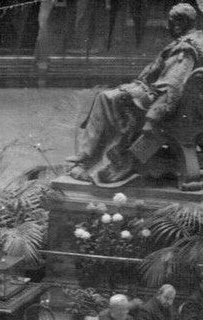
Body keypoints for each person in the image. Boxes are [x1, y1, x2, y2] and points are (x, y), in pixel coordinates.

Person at [67, 4, 203, 187]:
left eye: (170, 22)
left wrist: (152, 119)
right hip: (177, 103)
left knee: (106, 98)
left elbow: (172, 87)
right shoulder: (196, 39)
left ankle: (88, 161)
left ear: (180, 23)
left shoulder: (185, 48)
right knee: (108, 97)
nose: (167, 27)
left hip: (163, 105)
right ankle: (95, 157)